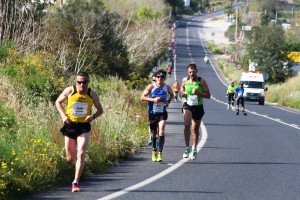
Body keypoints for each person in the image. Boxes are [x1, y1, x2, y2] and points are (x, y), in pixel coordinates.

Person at [55, 71, 103, 192]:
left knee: (81, 153)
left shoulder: (92, 94)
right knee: (70, 159)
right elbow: (58, 102)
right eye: (79, 82)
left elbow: (100, 110)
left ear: (88, 82)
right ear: (76, 82)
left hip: (84, 126)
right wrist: (63, 116)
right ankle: (68, 170)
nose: (82, 84)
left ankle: (75, 182)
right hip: (70, 126)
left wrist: (93, 117)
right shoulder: (70, 90)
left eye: (84, 82)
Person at [141, 70, 174, 162]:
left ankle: (160, 153)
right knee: (153, 134)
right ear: (156, 78)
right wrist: (153, 99)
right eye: (158, 77)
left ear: (164, 78)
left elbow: (172, 95)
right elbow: (142, 97)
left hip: (162, 113)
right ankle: (154, 150)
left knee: (162, 132)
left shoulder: (167, 87)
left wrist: (168, 101)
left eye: (162, 77)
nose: (160, 79)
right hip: (152, 113)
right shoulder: (151, 87)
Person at [181, 63, 211, 160]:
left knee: (195, 129)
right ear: (187, 72)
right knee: (186, 124)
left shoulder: (201, 81)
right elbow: (182, 89)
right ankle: (187, 148)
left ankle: (194, 148)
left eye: (193, 72)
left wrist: (198, 93)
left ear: (196, 71)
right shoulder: (185, 80)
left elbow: (208, 95)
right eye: (190, 72)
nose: (191, 73)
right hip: (188, 105)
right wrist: (183, 94)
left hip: (198, 106)